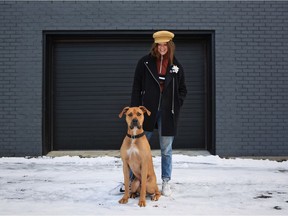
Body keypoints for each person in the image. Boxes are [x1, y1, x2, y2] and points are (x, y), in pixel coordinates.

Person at [129, 30, 187, 196]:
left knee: (166, 149)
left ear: (169, 46)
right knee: (139, 148)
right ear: (155, 46)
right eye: (159, 45)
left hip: (168, 113)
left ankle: (166, 181)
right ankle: (134, 180)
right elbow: (136, 87)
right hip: (146, 112)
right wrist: (135, 111)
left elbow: (183, 89)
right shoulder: (144, 63)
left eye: (165, 45)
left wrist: (177, 103)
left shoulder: (176, 66)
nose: (162, 48)